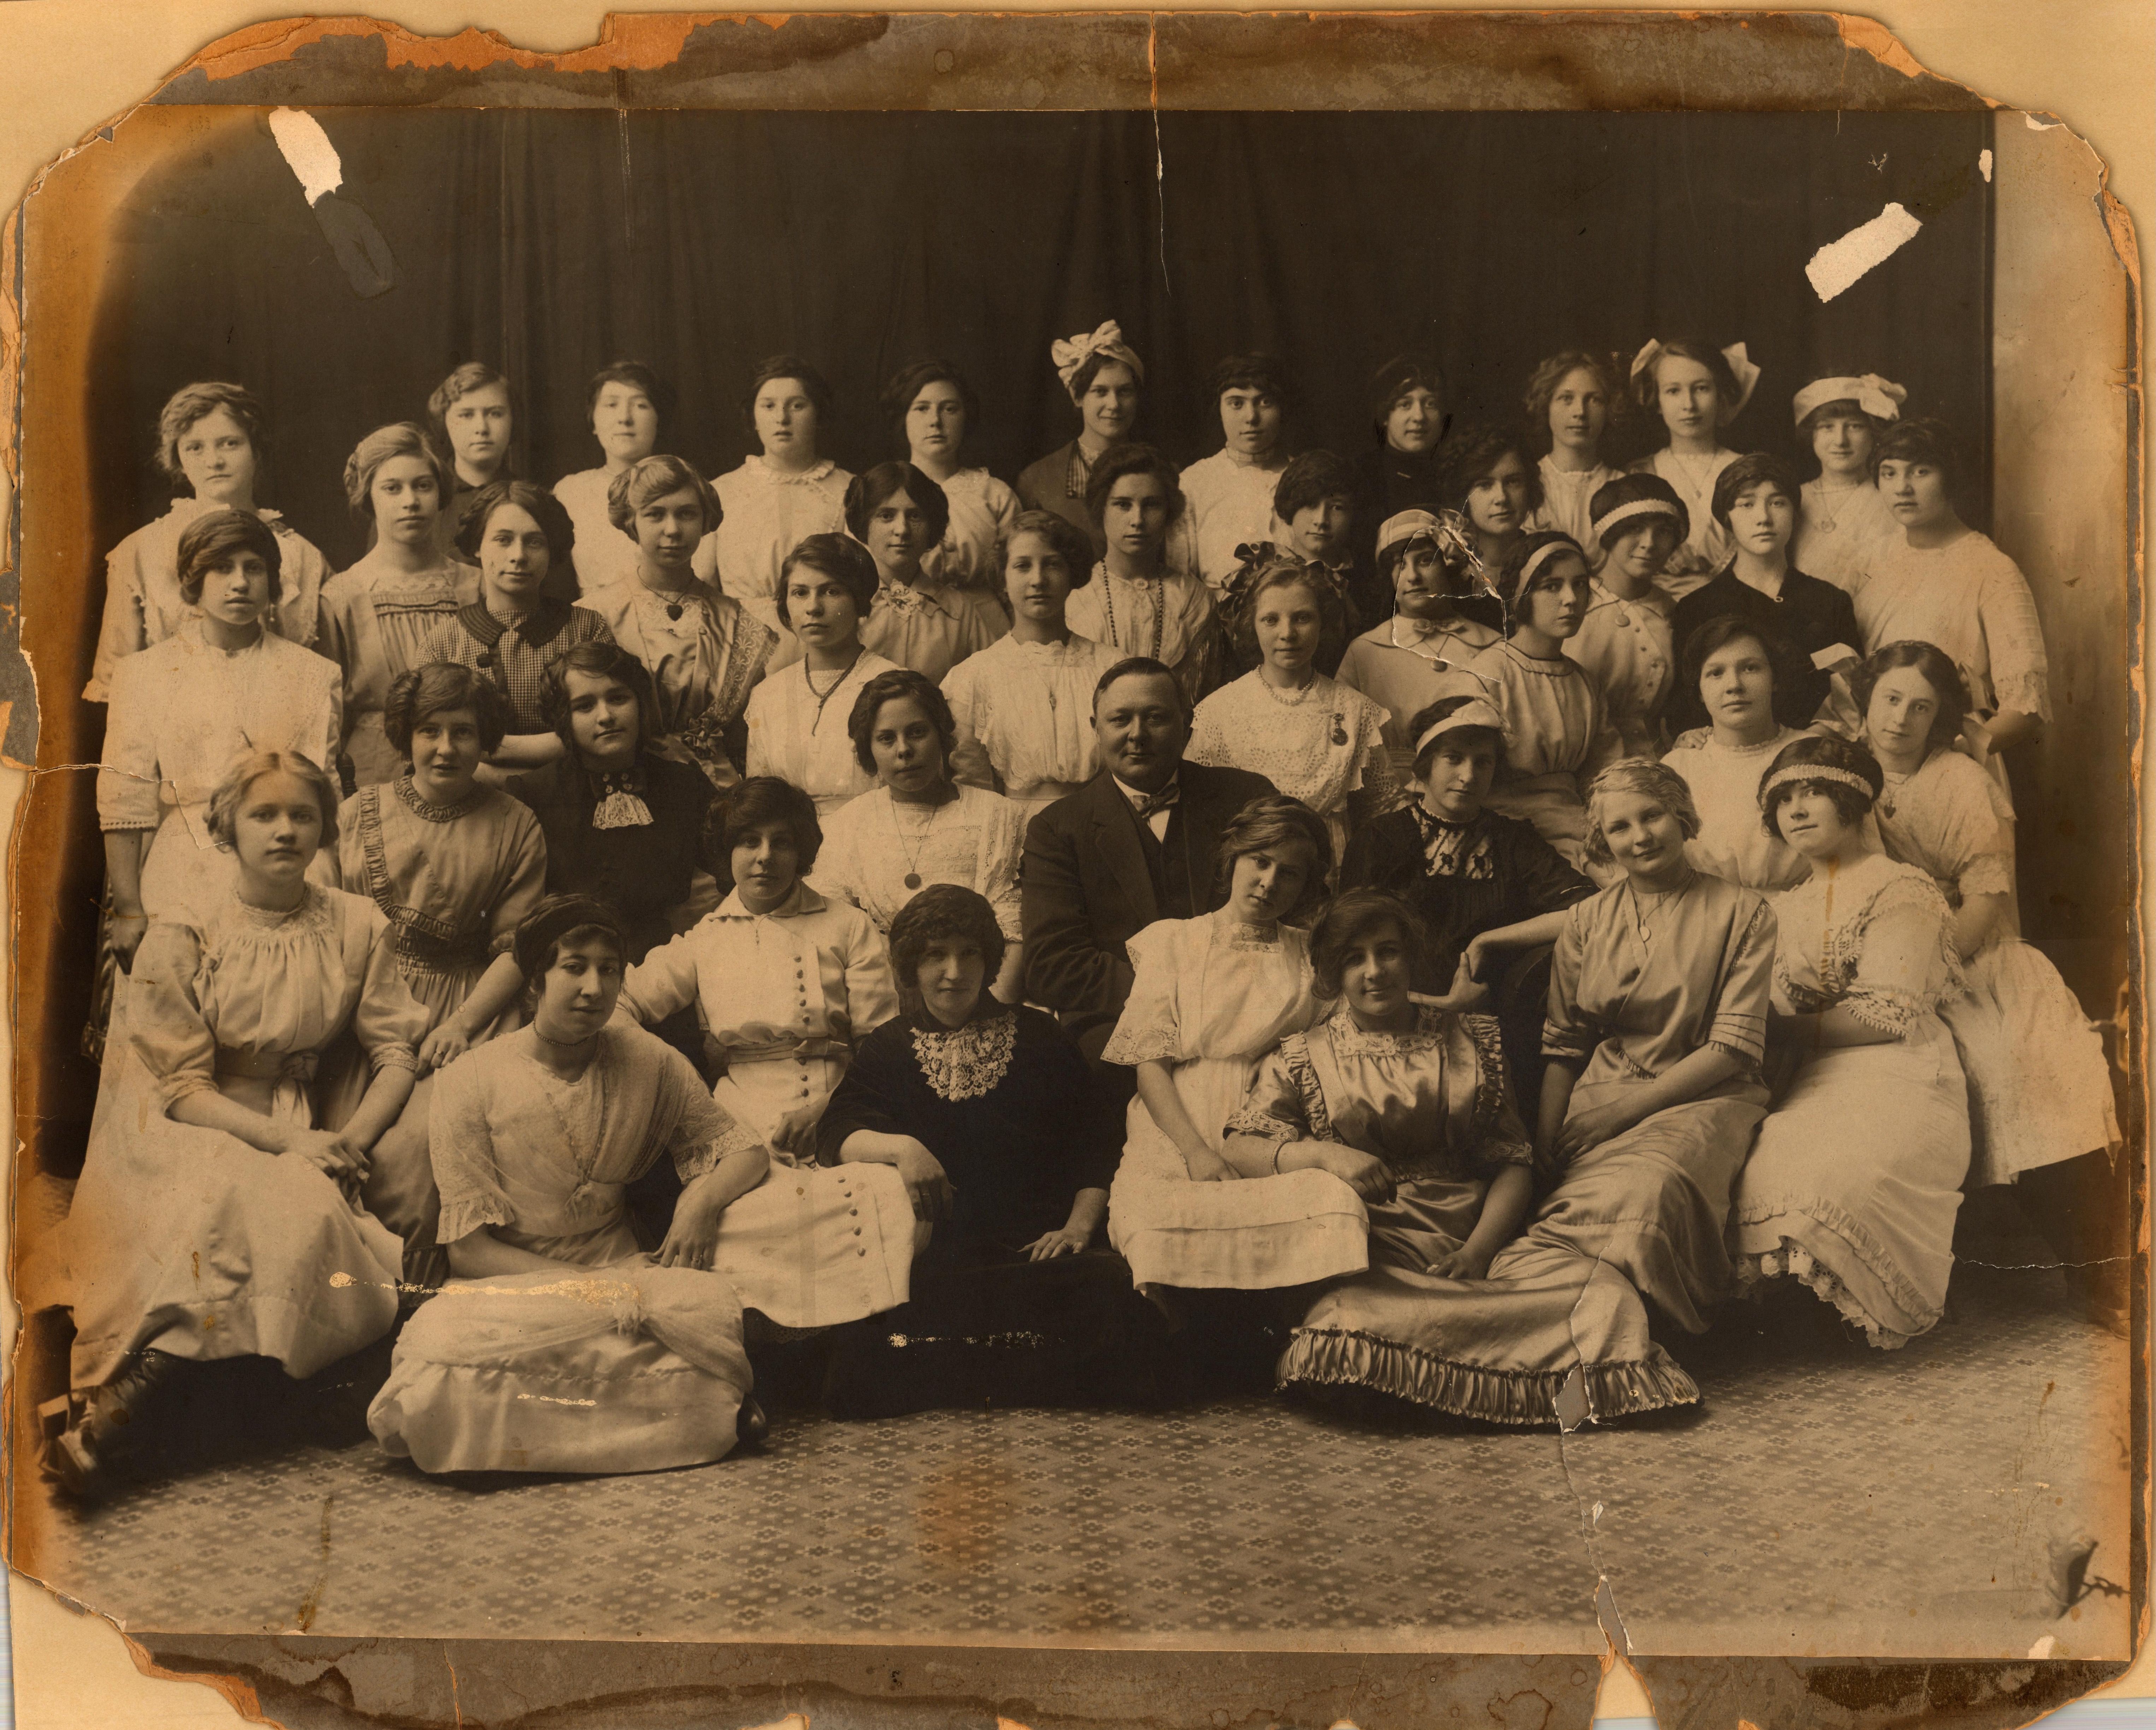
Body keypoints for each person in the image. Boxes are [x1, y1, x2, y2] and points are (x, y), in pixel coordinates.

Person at [1282, 761, 1776, 1426]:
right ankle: (1549, 1352)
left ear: (1682, 817)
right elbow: (1565, 1044)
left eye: (1651, 817)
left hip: (1702, 1090)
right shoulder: (1586, 920)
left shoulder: (1743, 912)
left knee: (1646, 1189)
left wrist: (1617, 1116)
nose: (1639, 837)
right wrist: (1547, 1135)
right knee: (1549, 1217)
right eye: (1618, 827)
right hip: (1601, 1084)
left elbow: (1732, 1046)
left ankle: (1631, 1347)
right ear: (1600, 840)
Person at [41, 750, 428, 1499]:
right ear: (227, 827)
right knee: (257, 1205)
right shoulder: (187, 927)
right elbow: (183, 1089)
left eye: (302, 816)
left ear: (324, 828)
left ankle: (117, 1428)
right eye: (265, 815)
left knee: (285, 1208)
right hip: (194, 1128)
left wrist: (345, 1143)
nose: (285, 831)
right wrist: (295, 1145)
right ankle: (133, 1425)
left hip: (302, 1125)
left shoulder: (355, 922)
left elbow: (396, 1052)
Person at [367, 896, 766, 1475]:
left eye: (610, 970)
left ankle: (538, 1437)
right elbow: (470, 1250)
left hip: (624, 1270)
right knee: (442, 1351)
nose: (593, 987)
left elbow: (745, 1151)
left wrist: (699, 1200)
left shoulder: (650, 1059)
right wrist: (585, 1292)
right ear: (534, 981)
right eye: (574, 966)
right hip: (516, 1285)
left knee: (705, 1308)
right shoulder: (469, 1079)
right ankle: (671, 1423)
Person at [820, 886, 1177, 1416]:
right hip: (937, 1265)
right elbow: (836, 1133)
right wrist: (904, 1148)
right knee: (854, 1363)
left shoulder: (1039, 1036)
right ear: (911, 966)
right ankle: (1024, 1372)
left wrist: (1077, 1229)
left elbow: (1095, 1145)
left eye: (969, 953)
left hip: (1035, 1257)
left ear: (989, 961)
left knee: (1116, 1312)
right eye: (934, 955)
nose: (953, 971)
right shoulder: (887, 1047)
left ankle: (967, 1374)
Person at [1858, 642, 2123, 1323]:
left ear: (1938, 717)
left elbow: (1983, 898)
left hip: (1971, 956)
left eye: (1920, 707)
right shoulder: (1838, 769)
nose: (1900, 719)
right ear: (1866, 699)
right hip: (1876, 961)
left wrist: (1928, 964)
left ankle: (2098, 1272)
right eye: (1889, 699)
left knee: (2031, 1069)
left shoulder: (1959, 780)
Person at [612, 778, 917, 1332]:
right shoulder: (706, 937)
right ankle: (764, 1346)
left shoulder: (846, 925)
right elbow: (622, 1003)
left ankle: (850, 1341)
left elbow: (880, 1046)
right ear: (726, 851)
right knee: (740, 1215)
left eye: (782, 841)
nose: (765, 857)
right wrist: (664, 1076)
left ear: (802, 849)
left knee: (882, 1196)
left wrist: (827, 1108)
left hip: (841, 1105)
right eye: (748, 841)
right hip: (741, 1118)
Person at [1241, 892, 1538, 1416]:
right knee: (1343, 1327)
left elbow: (1512, 1158)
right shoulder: (1302, 1053)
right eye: (1354, 959)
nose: (1374, 972)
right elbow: (1239, 1146)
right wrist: (1327, 1158)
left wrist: (1477, 1252)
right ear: (1332, 973)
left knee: (1600, 1298)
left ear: (1411, 955)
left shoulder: (1470, 1039)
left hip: (1473, 1233)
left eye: (1388, 951)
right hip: (1367, 1244)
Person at [1730, 735, 1971, 1348]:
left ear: (1853, 800)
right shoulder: (1784, 906)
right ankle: (1793, 1304)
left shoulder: (1900, 887)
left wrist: (1773, 1028)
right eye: (1783, 799)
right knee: (1763, 1164)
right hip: (1810, 1075)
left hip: (1901, 1069)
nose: (1797, 809)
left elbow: (1883, 1016)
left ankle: (1852, 1304)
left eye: (1813, 792)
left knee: (1845, 1174)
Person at [311, 663, 548, 1281]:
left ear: (486, 739)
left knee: (406, 1162)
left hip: (458, 1013)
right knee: (325, 1151)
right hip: (359, 1009)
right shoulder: (355, 811)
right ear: (404, 735)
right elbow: (322, 924)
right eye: (429, 730)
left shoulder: (515, 824)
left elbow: (515, 951)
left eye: (464, 732)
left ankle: (401, 1307)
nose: (446, 748)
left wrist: (463, 1026)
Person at [1101, 796, 1370, 1294]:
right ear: (1233, 859)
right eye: (1259, 861)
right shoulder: (1173, 942)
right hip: (1178, 1120)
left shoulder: (1309, 956)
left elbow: (1360, 1013)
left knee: (1324, 1217)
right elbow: (1151, 1068)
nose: (1269, 882)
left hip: (1274, 1120)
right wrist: (1197, 1153)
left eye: (1288, 873)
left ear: (1306, 885)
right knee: (1159, 1228)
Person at [99, 510, 343, 944]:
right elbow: (124, 798)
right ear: (194, 581)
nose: (240, 583)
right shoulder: (144, 673)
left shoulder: (313, 674)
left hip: (287, 861)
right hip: (185, 861)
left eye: (255, 568)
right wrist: (129, 908)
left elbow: (323, 792)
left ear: (272, 581)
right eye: (222, 568)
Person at [1020, 657, 1276, 1065]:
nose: (1137, 734)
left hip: (1243, 1001)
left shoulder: (1246, 798)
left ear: (1187, 725)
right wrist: (1175, 990)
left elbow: (1294, 908)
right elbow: (1052, 964)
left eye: (1155, 717)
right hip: (1119, 1016)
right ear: (1096, 729)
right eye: (1120, 719)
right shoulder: (1057, 828)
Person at [1337, 694, 1595, 1096]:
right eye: (1453, 758)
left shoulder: (1513, 840)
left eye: (1483, 761)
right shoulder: (1382, 838)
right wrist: (1431, 1004)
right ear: (1425, 764)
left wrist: (1488, 940)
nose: (1469, 774)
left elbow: (1587, 909)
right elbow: (1351, 946)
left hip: (1491, 1023)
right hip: (1392, 1018)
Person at [84, 381, 331, 702]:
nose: (214, 461)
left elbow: (326, 682)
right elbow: (117, 683)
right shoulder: (140, 552)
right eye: (195, 448)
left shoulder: (304, 557)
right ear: (178, 458)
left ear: (257, 451)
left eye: (230, 444)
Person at [1853, 417, 2051, 783]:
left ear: (1950, 477)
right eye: (1889, 473)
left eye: (1921, 471)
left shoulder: (1992, 569)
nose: (1903, 488)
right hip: (1872, 760)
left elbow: (2028, 708)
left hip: (1951, 764)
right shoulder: (1871, 558)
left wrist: (1948, 755)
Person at [814, 669, 1028, 1000]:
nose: (904, 750)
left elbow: (1014, 935)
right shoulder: (848, 824)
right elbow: (832, 934)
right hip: (879, 1001)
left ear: (942, 736)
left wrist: (989, 1016)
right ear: (869, 749)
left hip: (981, 996)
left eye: (917, 733)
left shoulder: (998, 816)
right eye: (886, 738)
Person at [506, 641, 718, 966]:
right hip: (566, 963)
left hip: (666, 961)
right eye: (584, 706)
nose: (606, 717)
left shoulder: (685, 785)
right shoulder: (534, 794)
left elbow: (731, 874)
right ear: (564, 719)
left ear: (641, 704)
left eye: (618, 698)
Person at [1186, 551, 1396, 870]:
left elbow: (1381, 808)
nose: (1287, 633)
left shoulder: (1355, 709)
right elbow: (1199, 808)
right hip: (1250, 868)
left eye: (1302, 618)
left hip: (1332, 866)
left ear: (1322, 621)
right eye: (1271, 620)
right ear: (1250, 625)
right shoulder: (1218, 712)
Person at [582, 455, 776, 790]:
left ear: (705, 522)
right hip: (620, 785)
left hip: (715, 789)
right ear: (632, 522)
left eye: (686, 514)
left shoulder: (740, 623)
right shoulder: (593, 616)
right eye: (655, 514)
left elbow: (746, 741)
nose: (672, 530)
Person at [317, 423, 476, 790]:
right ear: (368, 496)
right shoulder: (342, 596)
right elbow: (328, 718)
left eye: (423, 485)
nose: (411, 501)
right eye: (393, 488)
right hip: (374, 773)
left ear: (440, 494)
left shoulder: (475, 586)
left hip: (465, 768)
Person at [421, 480, 613, 775]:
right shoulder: (443, 643)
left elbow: (601, 730)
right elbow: (432, 743)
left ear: (552, 551)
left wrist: (488, 754)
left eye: (535, 542)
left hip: (574, 792)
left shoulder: (587, 629)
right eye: (503, 540)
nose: (519, 556)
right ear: (477, 545)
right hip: (473, 798)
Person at [942, 509, 1123, 820]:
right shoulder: (973, 677)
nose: (1038, 580)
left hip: (1101, 822)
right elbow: (970, 783)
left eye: (1052, 564)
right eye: (1023, 566)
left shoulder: (1112, 667)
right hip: (1011, 828)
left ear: (1072, 574)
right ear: (1003, 578)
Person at [1666, 452, 1861, 735]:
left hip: (1815, 752)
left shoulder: (1829, 601)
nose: (1763, 518)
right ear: (1726, 517)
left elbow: (1852, 690)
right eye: (1746, 504)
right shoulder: (1697, 607)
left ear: (1794, 514)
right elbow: (1685, 706)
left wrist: (1815, 740)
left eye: (1777, 503)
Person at [1465, 532, 1622, 877]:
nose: (1571, 599)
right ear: (1522, 594)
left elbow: (1604, 774)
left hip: (1580, 827)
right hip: (1508, 834)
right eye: (1552, 586)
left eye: (1579, 585)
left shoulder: (1584, 682)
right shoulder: (1487, 674)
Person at [1334, 508, 1502, 782]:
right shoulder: (1365, 650)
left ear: (1450, 566)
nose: (1412, 576)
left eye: (1425, 561)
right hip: (1389, 789)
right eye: (1400, 565)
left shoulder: (1490, 646)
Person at [742, 534, 902, 814]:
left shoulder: (894, 683)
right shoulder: (767, 695)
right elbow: (761, 803)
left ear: (859, 601)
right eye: (800, 593)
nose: (813, 608)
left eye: (831, 592)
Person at [1660, 616, 1815, 892]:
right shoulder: (1678, 767)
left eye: (1750, 668)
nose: (1734, 685)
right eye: (1715, 673)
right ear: (1699, 689)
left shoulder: (1813, 753)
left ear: (1775, 679)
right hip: (1702, 915)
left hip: (1802, 913)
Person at [708, 357, 853, 639]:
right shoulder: (721, 491)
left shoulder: (849, 489)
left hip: (825, 637)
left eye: (797, 406)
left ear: (818, 414)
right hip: (736, 636)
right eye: (769, 406)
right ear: (753, 416)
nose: (782, 418)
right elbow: (701, 583)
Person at [1062, 443, 1218, 703]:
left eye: (1151, 505)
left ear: (1169, 512)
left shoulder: (1195, 599)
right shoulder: (1074, 596)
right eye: (1123, 505)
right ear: (1101, 509)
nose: (1137, 520)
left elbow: (1205, 699)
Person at [852, 461, 1008, 684]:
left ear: (931, 526)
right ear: (865, 525)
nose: (902, 530)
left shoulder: (959, 611)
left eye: (915, 516)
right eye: (886, 516)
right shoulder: (847, 603)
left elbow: (995, 683)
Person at [1625, 338, 1761, 594]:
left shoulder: (1749, 472)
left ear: (1720, 397)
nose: (1689, 405)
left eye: (1701, 389)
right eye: (1673, 391)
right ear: (1657, 400)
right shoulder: (1638, 475)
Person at [1564, 475, 1686, 759]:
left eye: (1663, 532)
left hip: (1658, 756)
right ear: (1608, 534)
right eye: (1634, 529)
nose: (1649, 544)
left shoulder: (1674, 612)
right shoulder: (1572, 604)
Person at [882, 360, 1019, 592]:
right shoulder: (881, 492)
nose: (935, 421)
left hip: (986, 622)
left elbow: (1017, 572)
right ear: (903, 418)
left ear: (966, 417)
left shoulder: (996, 494)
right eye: (922, 408)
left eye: (949, 409)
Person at [1016, 319, 1144, 551]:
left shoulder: (1163, 471)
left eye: (1124, 392)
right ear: (1078, 398)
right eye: (1100, 392)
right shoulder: (1037, 479)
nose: (1114, 404)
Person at [1173, 353, 1295, 596]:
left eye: (1265, 402)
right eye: (1236, 404)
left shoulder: (1303, 476)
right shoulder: (1194, 482)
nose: (1251, 418)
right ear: (1218, 409)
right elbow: (1179, 579)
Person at [551, 361, 674, 595]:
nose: (624, 418)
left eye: (640, 405)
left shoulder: (686, 489)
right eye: (611, 405)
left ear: (659, 420)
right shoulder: (570, 492)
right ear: (593, 421)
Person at [1789, 372, 1906, 593]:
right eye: (1827, 427)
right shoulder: (1795, 498)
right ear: (1812, 434)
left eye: (1855, 426)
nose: (1841, 441)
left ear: (1873, 433)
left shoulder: (1891, 498)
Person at [1345, 352, 1452, 581]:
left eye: (1430, 404)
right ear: (1385, 415)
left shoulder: (1458, 471)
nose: (1419, 416)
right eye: (1405, 405)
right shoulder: (1360, 475)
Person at [429, 363, 534, 583]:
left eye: (495, 414)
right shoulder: (421, 499)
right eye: (466, 415)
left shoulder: (534, 500)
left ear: (513, 421)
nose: (482, 428)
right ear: (445, 421)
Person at [1524, 350, 1625, 557]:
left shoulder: (1624, 488)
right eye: (1566, 398)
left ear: (1609, 409)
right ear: (1547, 405)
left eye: (1594, 400)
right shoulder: (1527, 483)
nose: (1580, 412)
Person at [1271, 449, 1370, 640]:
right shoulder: (1268, 576)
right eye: (1310, 505)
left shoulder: (1368, 583)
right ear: (1291, 507)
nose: (1321, 520)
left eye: (1337, 508)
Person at [1441, 424, 1543, 589]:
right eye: (1485, 485)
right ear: (1464, 494)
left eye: (1513, 482)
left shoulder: (1546, 564)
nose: (1502, 498)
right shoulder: (1449, 575)